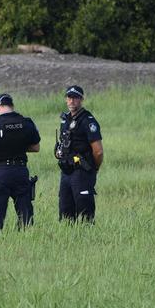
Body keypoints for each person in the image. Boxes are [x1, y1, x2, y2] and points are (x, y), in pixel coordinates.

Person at [0, 93, 41, 231]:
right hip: (20, 171)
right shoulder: (27, 123)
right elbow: (36, 147)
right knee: (25, 212)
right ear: (12, 106)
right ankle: (25, 237)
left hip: (0, 173)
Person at [54, 85, 103, 222]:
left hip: (81, 171)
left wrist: (94, 168)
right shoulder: (65, 119)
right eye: (69, 97)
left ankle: (88, 239)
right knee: (65, 213)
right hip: (66, 171)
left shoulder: (88, 121)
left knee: (85, 213)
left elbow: (98, 151)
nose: (72, 101)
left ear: (81, 99)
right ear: (66, 99)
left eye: (75, 98)